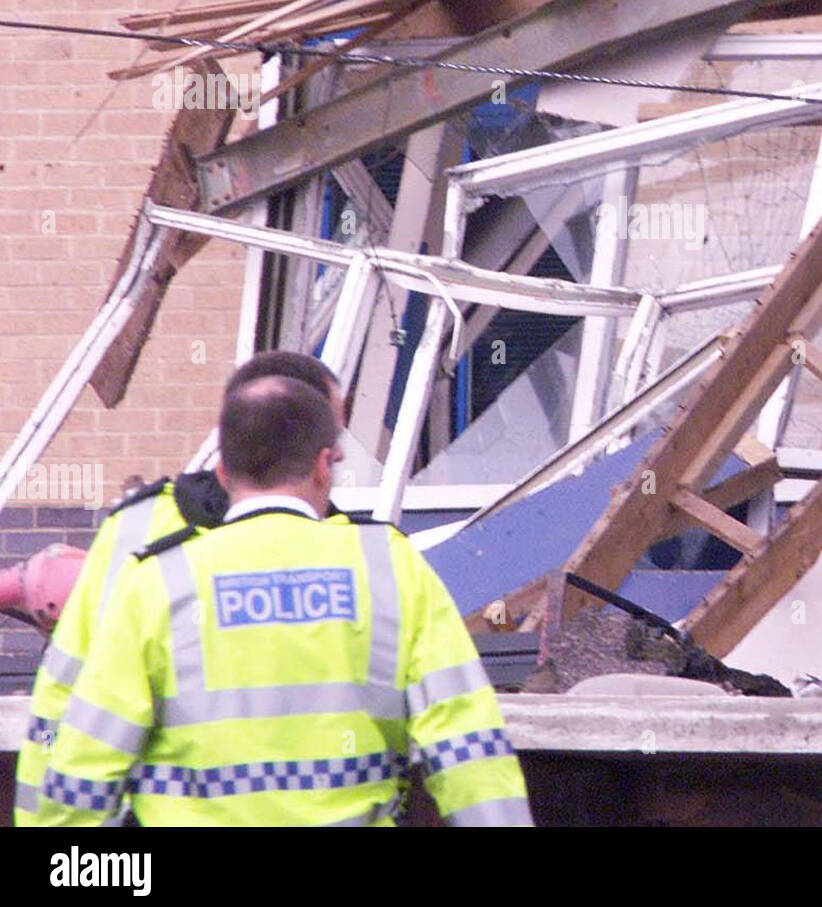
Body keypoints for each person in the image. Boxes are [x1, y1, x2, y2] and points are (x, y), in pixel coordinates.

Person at [37, 375, 531, 827]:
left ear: (223, 472)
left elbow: (84, 770)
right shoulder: (390, 566)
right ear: (322, 465)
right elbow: (468, 747)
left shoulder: (157, 580)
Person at [14, 351, 347, 827]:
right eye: (330, 449)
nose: (331, 467)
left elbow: (64, 704)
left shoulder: (135, 527)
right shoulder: (350, 555)